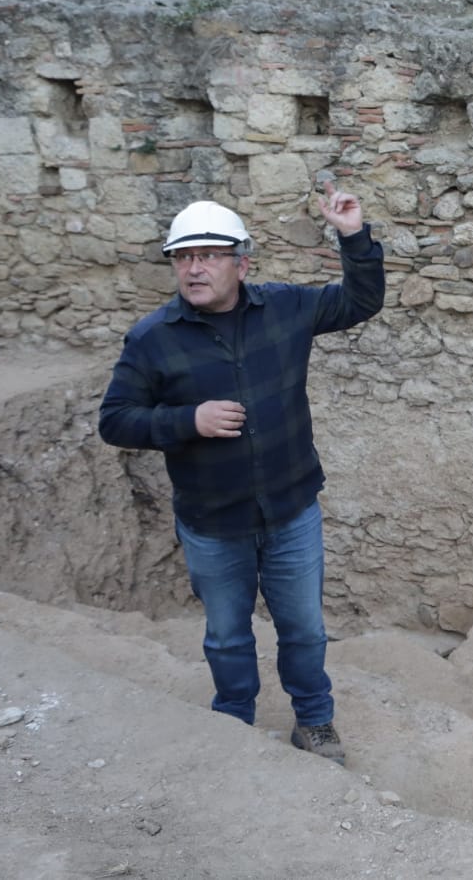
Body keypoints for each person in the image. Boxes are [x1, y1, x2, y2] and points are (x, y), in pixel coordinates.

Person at [98, 182, 385, 766]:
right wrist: (187, 420)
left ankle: (314, 722)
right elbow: (115, 421)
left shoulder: (285, 307)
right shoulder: (153, 340)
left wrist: (351, 235)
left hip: (291, 511)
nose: (193, 268)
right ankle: (233, 723)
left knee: (303, 629)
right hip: (212, 520)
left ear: (241, 263)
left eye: (207, 256)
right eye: (182, 257)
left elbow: (361, 302)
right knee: (227, 635)